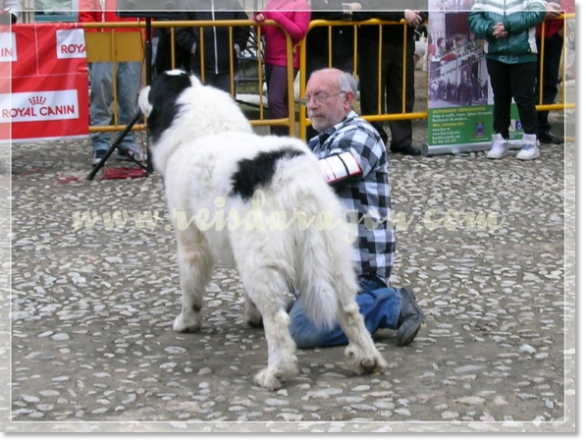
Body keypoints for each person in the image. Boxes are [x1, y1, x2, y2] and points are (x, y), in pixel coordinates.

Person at [288, 68, 424, 349]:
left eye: (320, 97)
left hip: (358, 272)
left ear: (347, 100)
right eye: (308, 98)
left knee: (300, 330)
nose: (311, 105)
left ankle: (390, 303)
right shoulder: (316, 142)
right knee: (265, 296)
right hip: (326, 268)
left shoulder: (362, 134)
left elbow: (321, 177)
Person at [469, 0, 546, 160]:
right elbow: (474, 19)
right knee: (501, 98)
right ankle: (500, 140)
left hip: (523, 52)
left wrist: (507, 26)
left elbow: (537, 12)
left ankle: (531, 141)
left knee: (524, 98)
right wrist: (490, 29)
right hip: (495, 53)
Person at [357, 0, 428, 156]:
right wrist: (402, 14)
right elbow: (368, 8)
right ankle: (374, 139)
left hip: (403, 39)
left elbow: (425, 4)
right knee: (372, 92)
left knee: (403, 91)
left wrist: (419, 16)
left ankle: (402, 140)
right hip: (373, 40)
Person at [79, 0, 145, 166]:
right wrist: (96, 39)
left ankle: (126, 142)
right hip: (103, 43)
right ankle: (100, 145)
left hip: (132, 42)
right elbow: (86, 15)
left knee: (129, 98)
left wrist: (142, 34)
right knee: (101, 97)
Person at [303, 0, 369, 141]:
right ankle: (315, 141)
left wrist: (338, 11)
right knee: (316, 98)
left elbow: (366, 11)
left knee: (343, 98)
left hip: (345, 50)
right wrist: (351, 9)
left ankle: (343, 139)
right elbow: (320, 9)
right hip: (318, 50)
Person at [253, 0, 310, 136]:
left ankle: (282, 140)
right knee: (279, 101)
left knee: (275, 100)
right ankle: (280, 139)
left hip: (288, 58)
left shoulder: (301, 4)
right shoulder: (272, 2)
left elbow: (300, 31)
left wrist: (277, 17)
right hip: (271, 57)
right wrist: (258, 21)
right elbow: (264, 31)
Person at [174, 0, 251, 94]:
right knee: (202, 106)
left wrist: (236, 47)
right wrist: (194, 47)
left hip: (228, 68)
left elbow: (244, 26)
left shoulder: (232, 3)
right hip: (200, 68)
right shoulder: (190, 4)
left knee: (226, 106)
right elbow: (180, 30)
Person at [534, 0, 574, 145]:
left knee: (549, 83)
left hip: (554, 33)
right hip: (530, 31)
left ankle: (542, 127)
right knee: (526, 84)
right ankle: (527, 129)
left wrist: (568, 23)